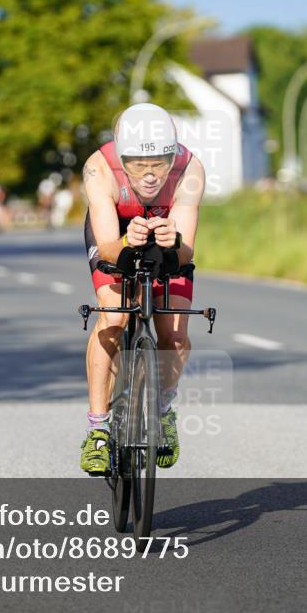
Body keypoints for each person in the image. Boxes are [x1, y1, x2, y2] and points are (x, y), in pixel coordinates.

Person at [79, 103, 206, 474]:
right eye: (137, 164)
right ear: (121, 157)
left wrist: (173, 240)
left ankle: (164, 411)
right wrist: (126, 241)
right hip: (115, 233)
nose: (150, 176)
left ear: (173, 155)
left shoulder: (190, 170)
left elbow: (185, 253)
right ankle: (98, 430)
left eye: (160, 163)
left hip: (167, 238)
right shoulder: (97, 167)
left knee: (175, 334)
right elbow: (107, 248)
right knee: (115, 317)